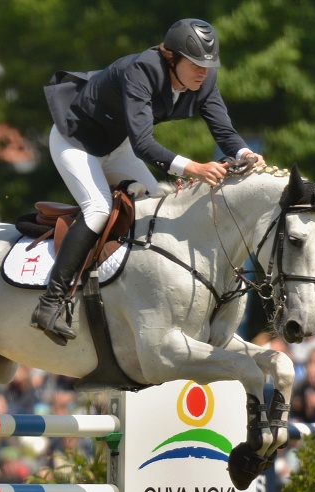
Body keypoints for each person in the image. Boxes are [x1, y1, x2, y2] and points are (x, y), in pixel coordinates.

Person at [36, 18, 265, 345]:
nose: (203, 72)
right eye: (196, 64)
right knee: (99, 209)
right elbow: (144, 144)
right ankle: (50, 302)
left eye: (208, 64)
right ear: (172, 58)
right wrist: (194, 169)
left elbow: (224, 131)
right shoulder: (141, 70)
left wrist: (245, 154)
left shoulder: (204, 80)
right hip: (76, 140)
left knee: (156, 206)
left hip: (117, 147)